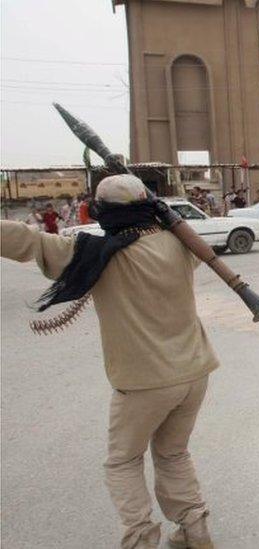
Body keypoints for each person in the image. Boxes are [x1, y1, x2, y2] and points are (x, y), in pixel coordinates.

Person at [1, 174, 219, 549]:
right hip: (194, 372)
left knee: (123, 462)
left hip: (144, 382)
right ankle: (194, 527)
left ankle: (140, 538)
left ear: (104, 211)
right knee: (173, 453)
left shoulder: (99, 253)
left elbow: (30, 241)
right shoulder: (180, 244)